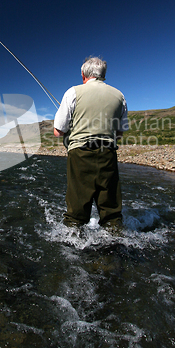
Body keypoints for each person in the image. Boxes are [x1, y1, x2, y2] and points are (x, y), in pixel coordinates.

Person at [54, 57, 128, 228]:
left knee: (76, 211)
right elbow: (119, 133)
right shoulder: (120, 96)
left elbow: (58, 132)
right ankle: (115, 246)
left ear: (83, 75)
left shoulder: (72, 92)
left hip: (80, 154)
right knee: (111, 211)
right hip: (108, 154)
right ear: (103, 75)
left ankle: (73, 247)